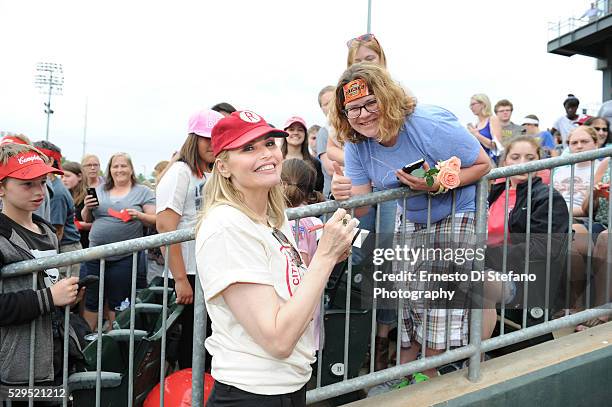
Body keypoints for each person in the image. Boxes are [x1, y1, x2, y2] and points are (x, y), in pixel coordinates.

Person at [330, 63, 491, 389]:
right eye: (352, 109)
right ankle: (405, 369)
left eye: (369, 103)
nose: (362, 115)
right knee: (407, 293)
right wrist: (340, 195)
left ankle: (427, 375)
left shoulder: (426, 123)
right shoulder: (356, 145)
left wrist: (437, 184)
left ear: (386, 98)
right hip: (414, 213)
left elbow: (483, 164)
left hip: (460, 208)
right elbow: (361, 206)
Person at [196, 110, 356, 406]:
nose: (266, 154)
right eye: (248, 148)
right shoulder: (227, 226)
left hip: (287, 385)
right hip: (252, 392)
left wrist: (329, 258)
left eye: (269, 143)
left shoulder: (272, 216)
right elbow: (277, 339)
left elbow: (287, 294)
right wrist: (323, 257)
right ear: (223, 167)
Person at [0, 142, 80, 387]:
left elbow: (49, 286)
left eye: (43, 182)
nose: (39, 192)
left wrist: (67, 294)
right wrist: (49, 297)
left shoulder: (45, 229)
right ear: (1, 188)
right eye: (27, 184)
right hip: (18, 371)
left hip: (55, 356)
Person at [155, 109, 222, 369]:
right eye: (206, 138)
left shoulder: (210, 172)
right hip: (188, 272)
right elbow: (166, 227)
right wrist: (181, 279)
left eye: (216, 138)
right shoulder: (180, 172)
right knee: (191, 342)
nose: (212, 144)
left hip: (209, 269)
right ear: (193, 139)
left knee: (207, 340)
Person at [486, 136, 569, 332]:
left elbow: (545, 248)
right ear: (505, 161)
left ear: (540, 161)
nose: (522, 163)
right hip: (485, 263)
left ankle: (474, 359)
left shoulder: (547, 197)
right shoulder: (492, 191)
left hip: (520, 276)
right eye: (515, 157)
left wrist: (487, 256)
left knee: (480, 283)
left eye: (529, 157)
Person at [81, 152, 156, 330]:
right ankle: (84, 346)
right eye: (115, 166)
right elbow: (88, 218)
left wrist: (139, 215)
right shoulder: (100, 189)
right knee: (92, 298)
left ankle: (114, 344)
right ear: (110, 170)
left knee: (119, 300)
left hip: (125, 256)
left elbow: (155, 219)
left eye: (123, 166)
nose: (119, 169)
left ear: (131, 169)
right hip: (96, 253)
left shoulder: (143, 191)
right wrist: (87, 207)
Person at [33, 141, 82, 278]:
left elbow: (57, 231)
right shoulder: (52, 185)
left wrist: (48, 258)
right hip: (63, 248)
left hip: (65, 249)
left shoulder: (57, 191)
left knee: (66, 295)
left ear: (49, 161)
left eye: (36, 155)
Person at [282, 116, 324, 192]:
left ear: (305, 134)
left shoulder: (315, 163)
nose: (296, 133)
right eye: (291, 129)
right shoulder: (276, 161)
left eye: (300, 130)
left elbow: (319, 190)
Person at [62, 161, 91, 249]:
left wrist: (78, 225)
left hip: (85, 244)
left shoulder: (89, 196)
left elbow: (97, 222)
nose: (63, 179)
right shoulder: (64, 195)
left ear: (79, 176)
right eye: (62, 176)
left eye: (67, 176)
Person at [467, 94, 503, 163]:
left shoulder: (493, 119)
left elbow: (497, 145)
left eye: (473, 104)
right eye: (470, 105)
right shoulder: (476, 125)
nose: (471, 107)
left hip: (493, 162)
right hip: (481, 162)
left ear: (483, 104)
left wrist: (477, 135)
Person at [315, 85, 336, 198]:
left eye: (333, 101)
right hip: (334, 196)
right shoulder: (324, 133)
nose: (331, 106)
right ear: (322, 108)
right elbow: (331, 168)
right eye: (326, 104)